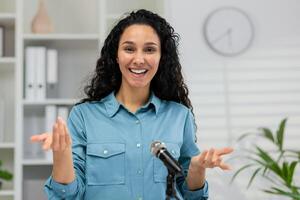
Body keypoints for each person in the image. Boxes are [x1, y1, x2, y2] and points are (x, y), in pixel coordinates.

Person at [31, 9, 233, 200]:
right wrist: (61, 154)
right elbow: (69, 195)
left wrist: (197, 169)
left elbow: (191, 196)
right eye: (129, 49)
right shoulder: (84, 116)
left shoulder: (180, 116)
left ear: (161, 58)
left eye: (149, 50)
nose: (139, 59)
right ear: (116, 56)